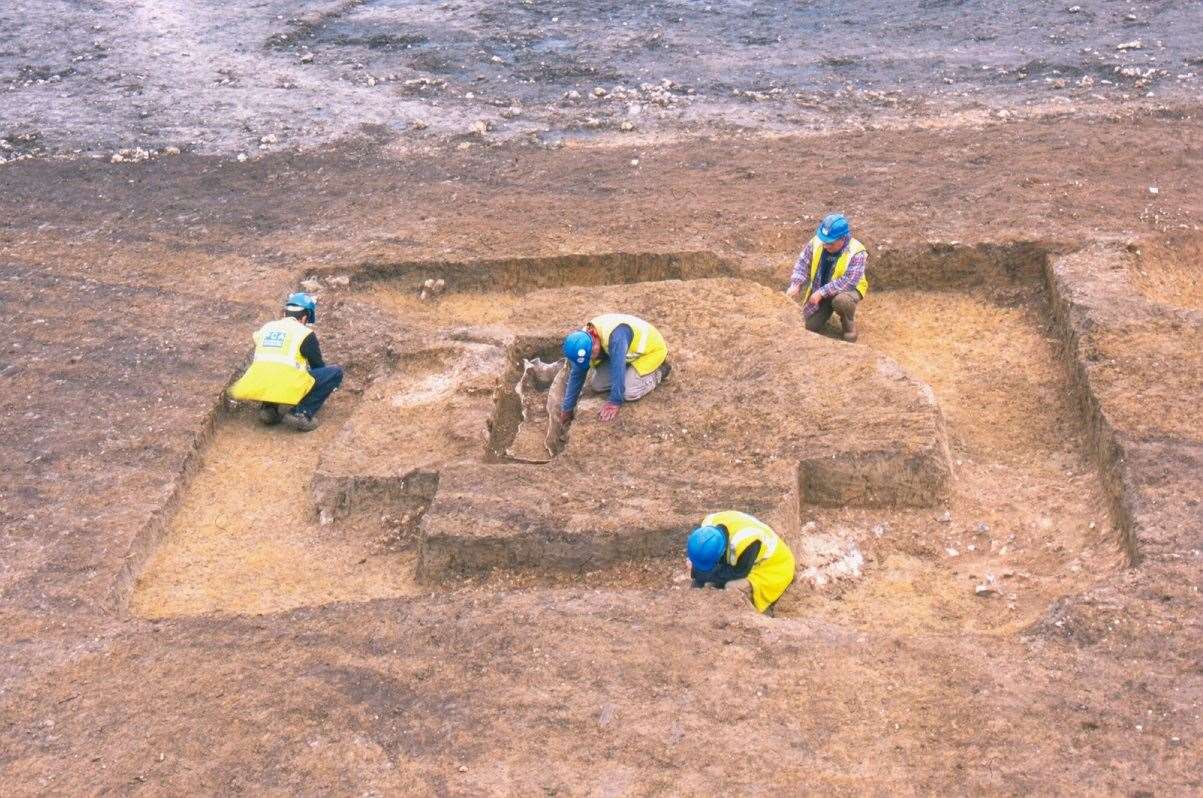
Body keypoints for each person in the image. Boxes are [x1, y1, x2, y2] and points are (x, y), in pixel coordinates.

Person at [227, 292, 343, 431]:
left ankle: (269, 409)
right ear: (305, 317)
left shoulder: (267, 327)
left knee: (272, 367)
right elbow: (317, 366)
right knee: (334, 372)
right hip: (284, 381)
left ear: (285, 314)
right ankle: (301, 414)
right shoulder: (304, 333)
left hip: (256, 383)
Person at [557, 313, 671, 424]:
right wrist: (567, 408)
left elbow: (618, 367)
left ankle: (661, 371)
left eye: (592, 353)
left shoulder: (616, 337)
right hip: (627, 354)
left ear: (594, 337)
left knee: (628, 392)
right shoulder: (582, 342)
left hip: (650, 352)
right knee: (597, 384)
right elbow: (577, 374)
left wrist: (614, 401)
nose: (591, 358)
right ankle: (630, 372)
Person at [686, 510, 796, 615]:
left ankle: (757, 615)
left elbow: (737, 573)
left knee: (732, 587)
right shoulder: (707, 526)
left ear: (722, 551)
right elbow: (701, 550)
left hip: (775, 567)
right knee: (710, 581)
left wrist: (703, 575)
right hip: (753, 558)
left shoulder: (745, 543)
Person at [784, 213, 869, 342]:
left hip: (847, 291)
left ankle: (848, 326)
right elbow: (802, 262)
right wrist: (796, 284)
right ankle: (826, 310)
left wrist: (821, 292)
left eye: (830, 243)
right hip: (821, 290)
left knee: (842, 302)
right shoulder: (818, 241)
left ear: (842, 238)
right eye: (824, 241)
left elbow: (849, 282)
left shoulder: (857, 252)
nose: (825, 245)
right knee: (808, 326)